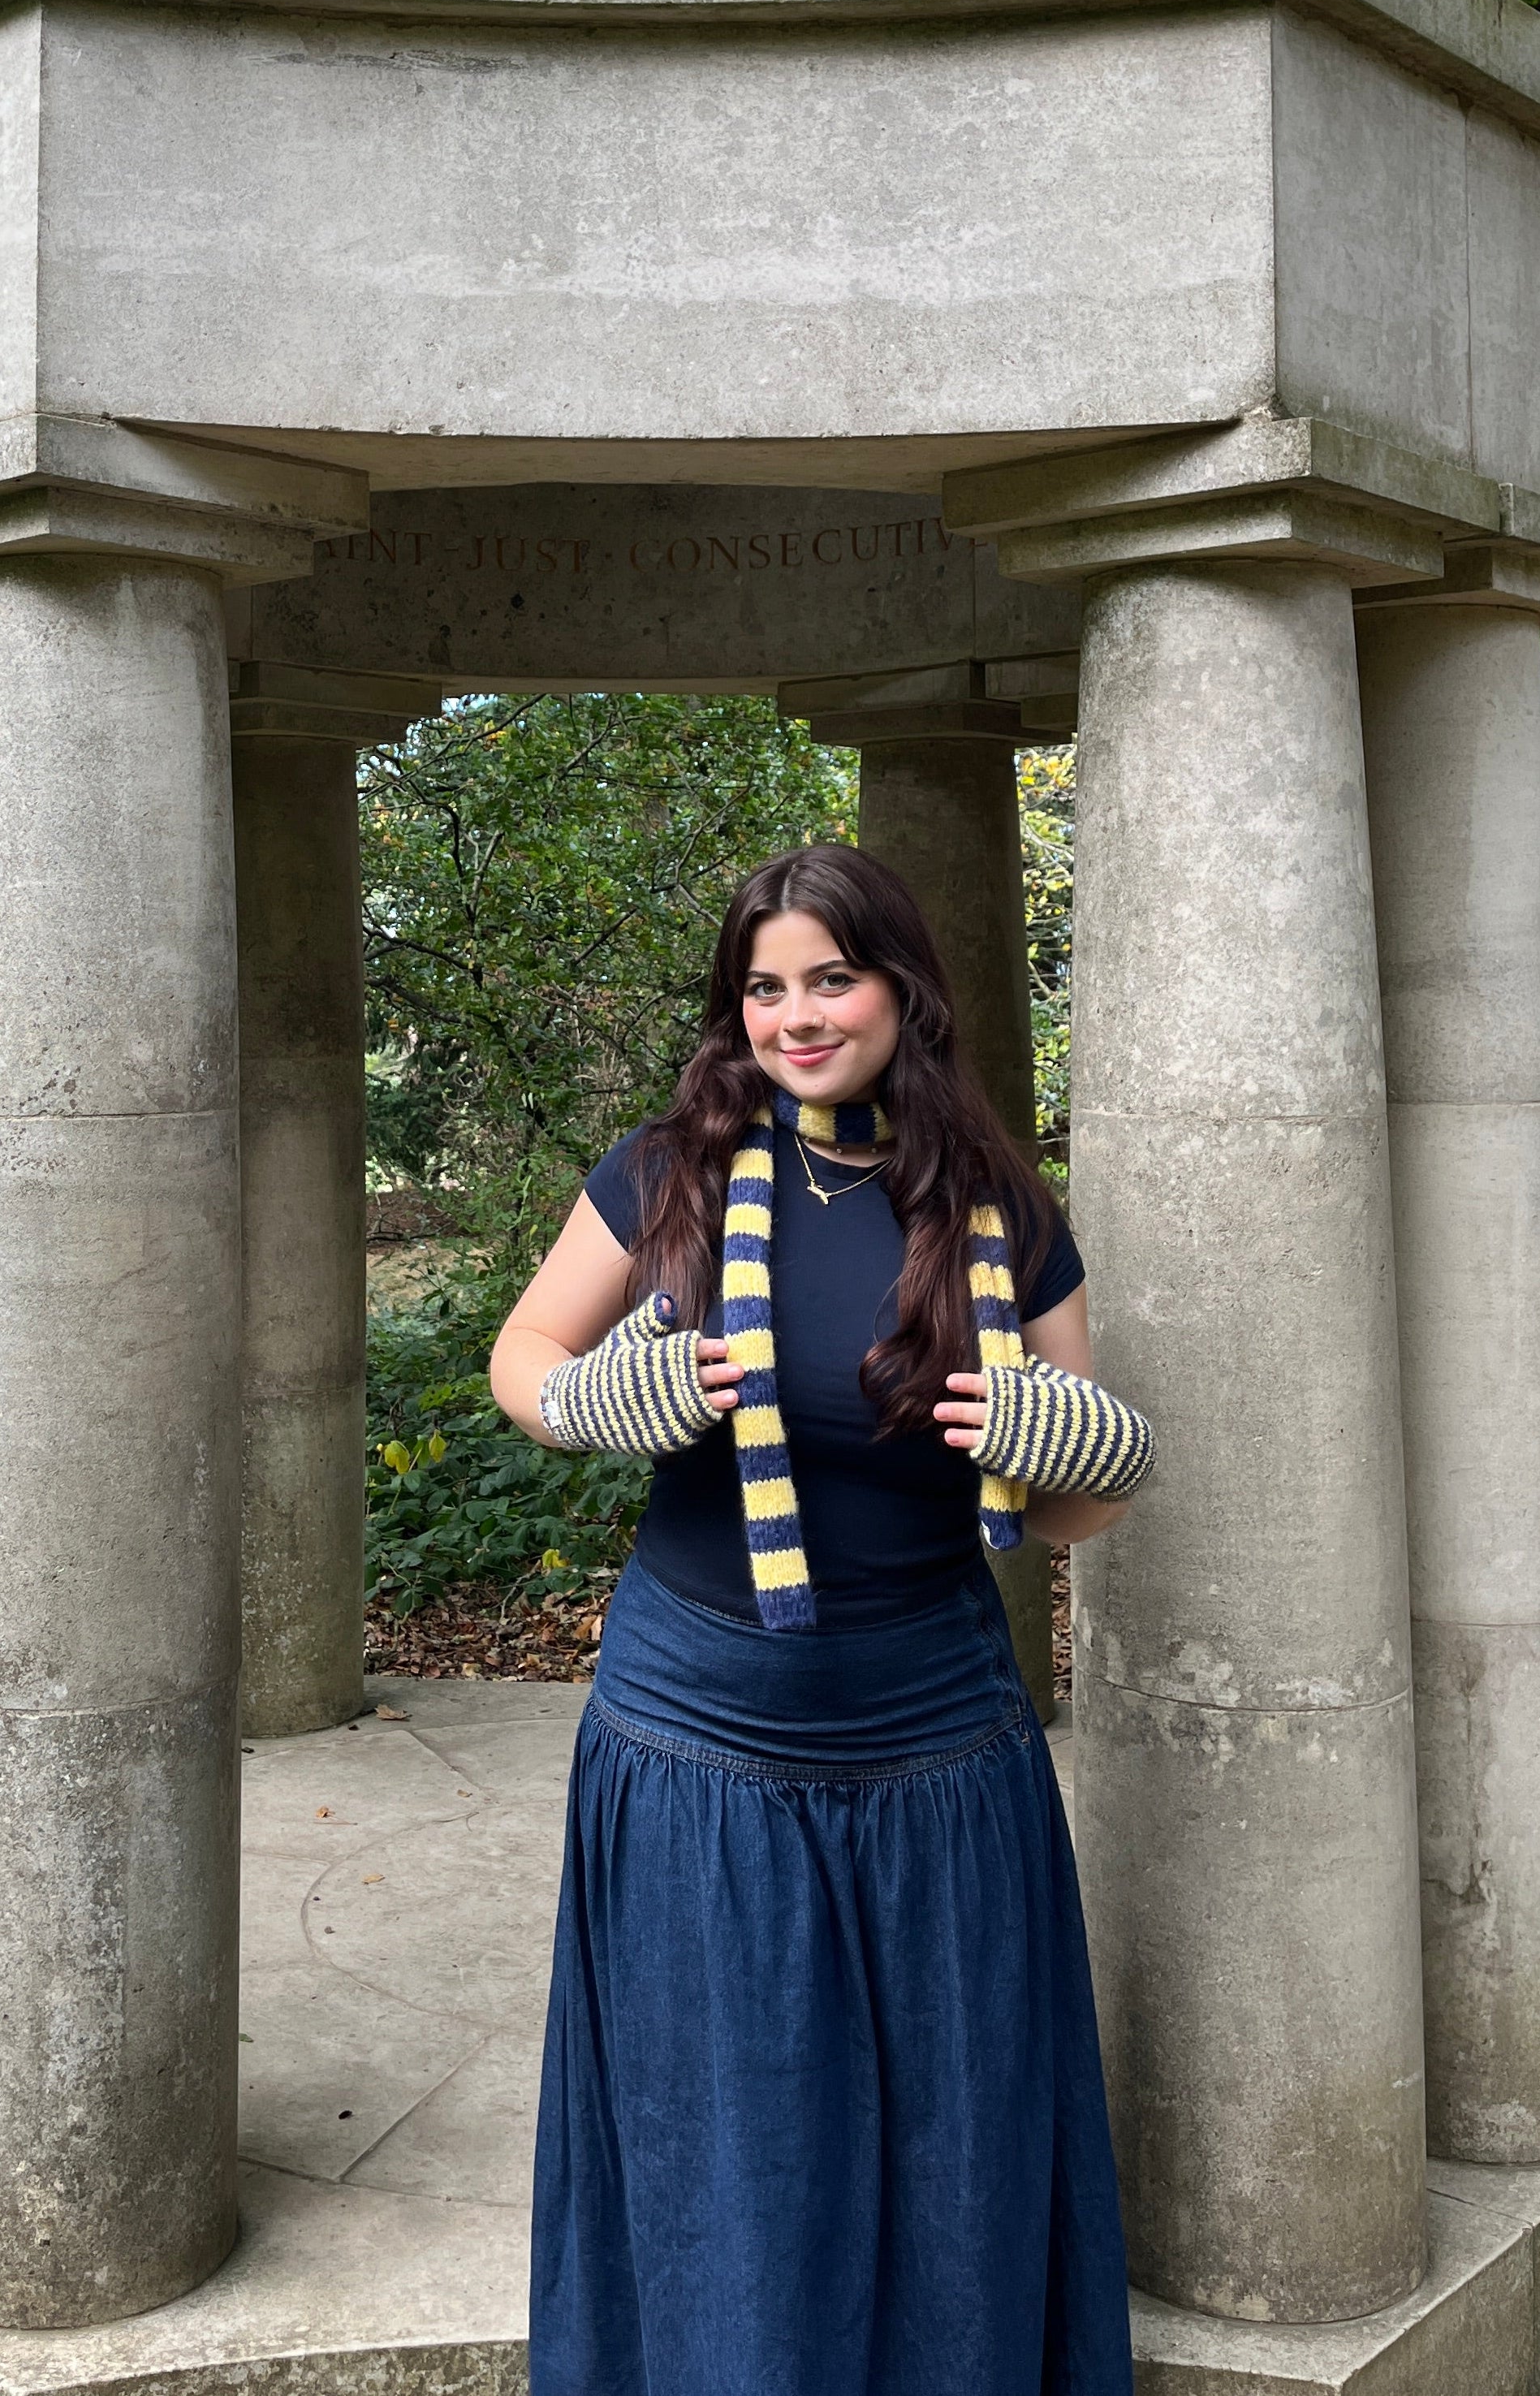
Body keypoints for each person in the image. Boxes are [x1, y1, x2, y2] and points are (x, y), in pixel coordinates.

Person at [490, 841, 1150, 2396]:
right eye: (764, 986)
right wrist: (598, 1402)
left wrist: (1075, 1452)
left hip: (937, 1739)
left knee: (954, 2129)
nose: (797, 1014)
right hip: (696, 1743)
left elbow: (1080, 1501)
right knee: (728, 2133)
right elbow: (524, 1356)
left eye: (830, 979)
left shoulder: (997, 1209)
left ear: (899, 990)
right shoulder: (665, 1172)